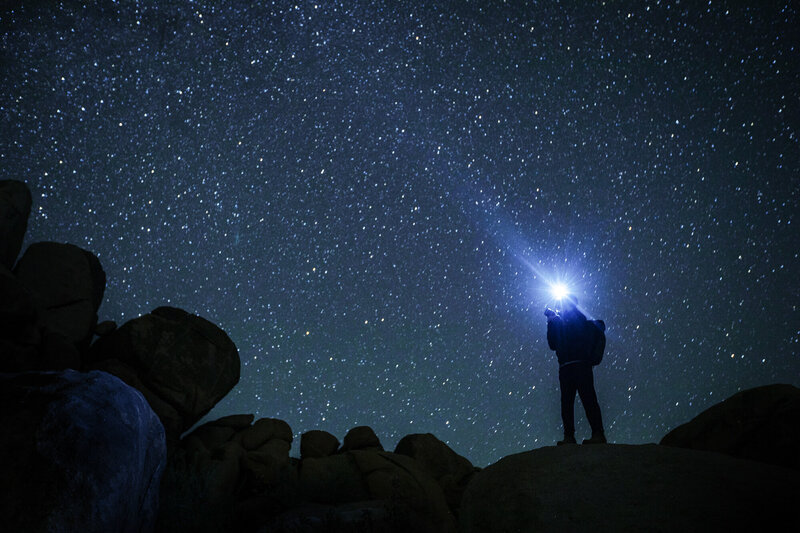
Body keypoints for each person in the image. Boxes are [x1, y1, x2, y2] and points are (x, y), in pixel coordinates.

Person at [545, 295, 606, 445]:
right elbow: (553, 344)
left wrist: (557, 320)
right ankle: (570, 436)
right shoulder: (561, 322)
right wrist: (551, 322)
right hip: (566, 367)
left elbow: (575, 336)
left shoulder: (579, 320)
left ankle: (596, 434)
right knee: (568, 402)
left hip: (580, 365)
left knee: (587, 399)